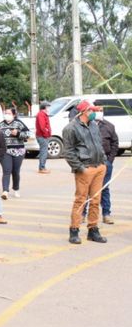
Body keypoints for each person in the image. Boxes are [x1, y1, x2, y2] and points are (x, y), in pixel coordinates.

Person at [62, 100, 107, 245]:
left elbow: (99, 144)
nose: (95, 113)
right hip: (85, 168)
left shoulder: (94, 125)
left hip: (99, 166)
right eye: (92, 110)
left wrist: (103, 162)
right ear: (84, 112)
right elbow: (68, 152)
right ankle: (74, 230)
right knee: (80, 200)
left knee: (95, 200)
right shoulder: (71, 128)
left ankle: (93, 230)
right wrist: (80, 168)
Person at [94, 104, 118, 224]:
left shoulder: (109, 126)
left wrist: (110, 159)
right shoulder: (88, 125)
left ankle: (106, 214)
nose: (99, 112)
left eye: (101, 110)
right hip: (92, 162)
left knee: (105, 188)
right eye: (97, 110)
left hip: (106, 162)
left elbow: (115, 143)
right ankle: (84, 214)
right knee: (89, 188)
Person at [0, 108, 30, 199]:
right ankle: (5, 191)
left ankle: (16, 188)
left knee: (15, 172)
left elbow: (28, 134)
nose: (7, 115)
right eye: (5, 113)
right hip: (6, 151)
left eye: (9, 113)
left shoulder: (19, 123)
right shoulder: (1, 124)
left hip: (18, 151)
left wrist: (18, 133)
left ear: (14, 115)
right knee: (6, 171)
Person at [35, 101, 52, 174]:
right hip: (42, 136)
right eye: (48, 107)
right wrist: (46, 134)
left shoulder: (43, 114)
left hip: (43, 136)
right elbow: (42, 127)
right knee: (43, 152)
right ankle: (42, 168)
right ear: (44, 107)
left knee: (43, 151)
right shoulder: (41, 114)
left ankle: (42, 167)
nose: (49, 108)